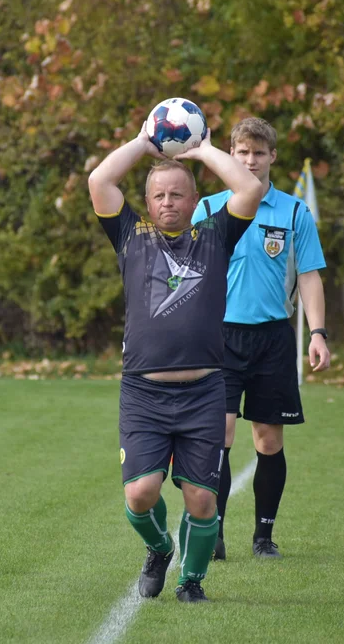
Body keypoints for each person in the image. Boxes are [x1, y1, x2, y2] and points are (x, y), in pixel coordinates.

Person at [87, 121, 262, 603]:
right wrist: (145, 144)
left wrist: (203, 150)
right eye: (160, 195)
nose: (168, 202)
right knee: (140, 494)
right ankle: (160, 548)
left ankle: (191, 582)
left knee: (202, 499)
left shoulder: (215, 237)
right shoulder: (131, 237)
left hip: (204, 390)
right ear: (147, 203)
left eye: (178, 194)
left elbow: (249, 186)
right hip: (144, 392)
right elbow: (99, 181)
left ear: (194, 201)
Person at [189, 117, 331, 561]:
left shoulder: (293, 212)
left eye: (259, 153)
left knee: (268, 441)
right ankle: (216, 533)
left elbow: (309, 275)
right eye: (242, 152)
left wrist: (319, 333)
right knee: (221, 435)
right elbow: (187, 276)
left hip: (272, 338)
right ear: (231, 153)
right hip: (218, 338)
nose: (250, 160)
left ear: (272, 157)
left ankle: (264, 537)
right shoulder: (208, 209)